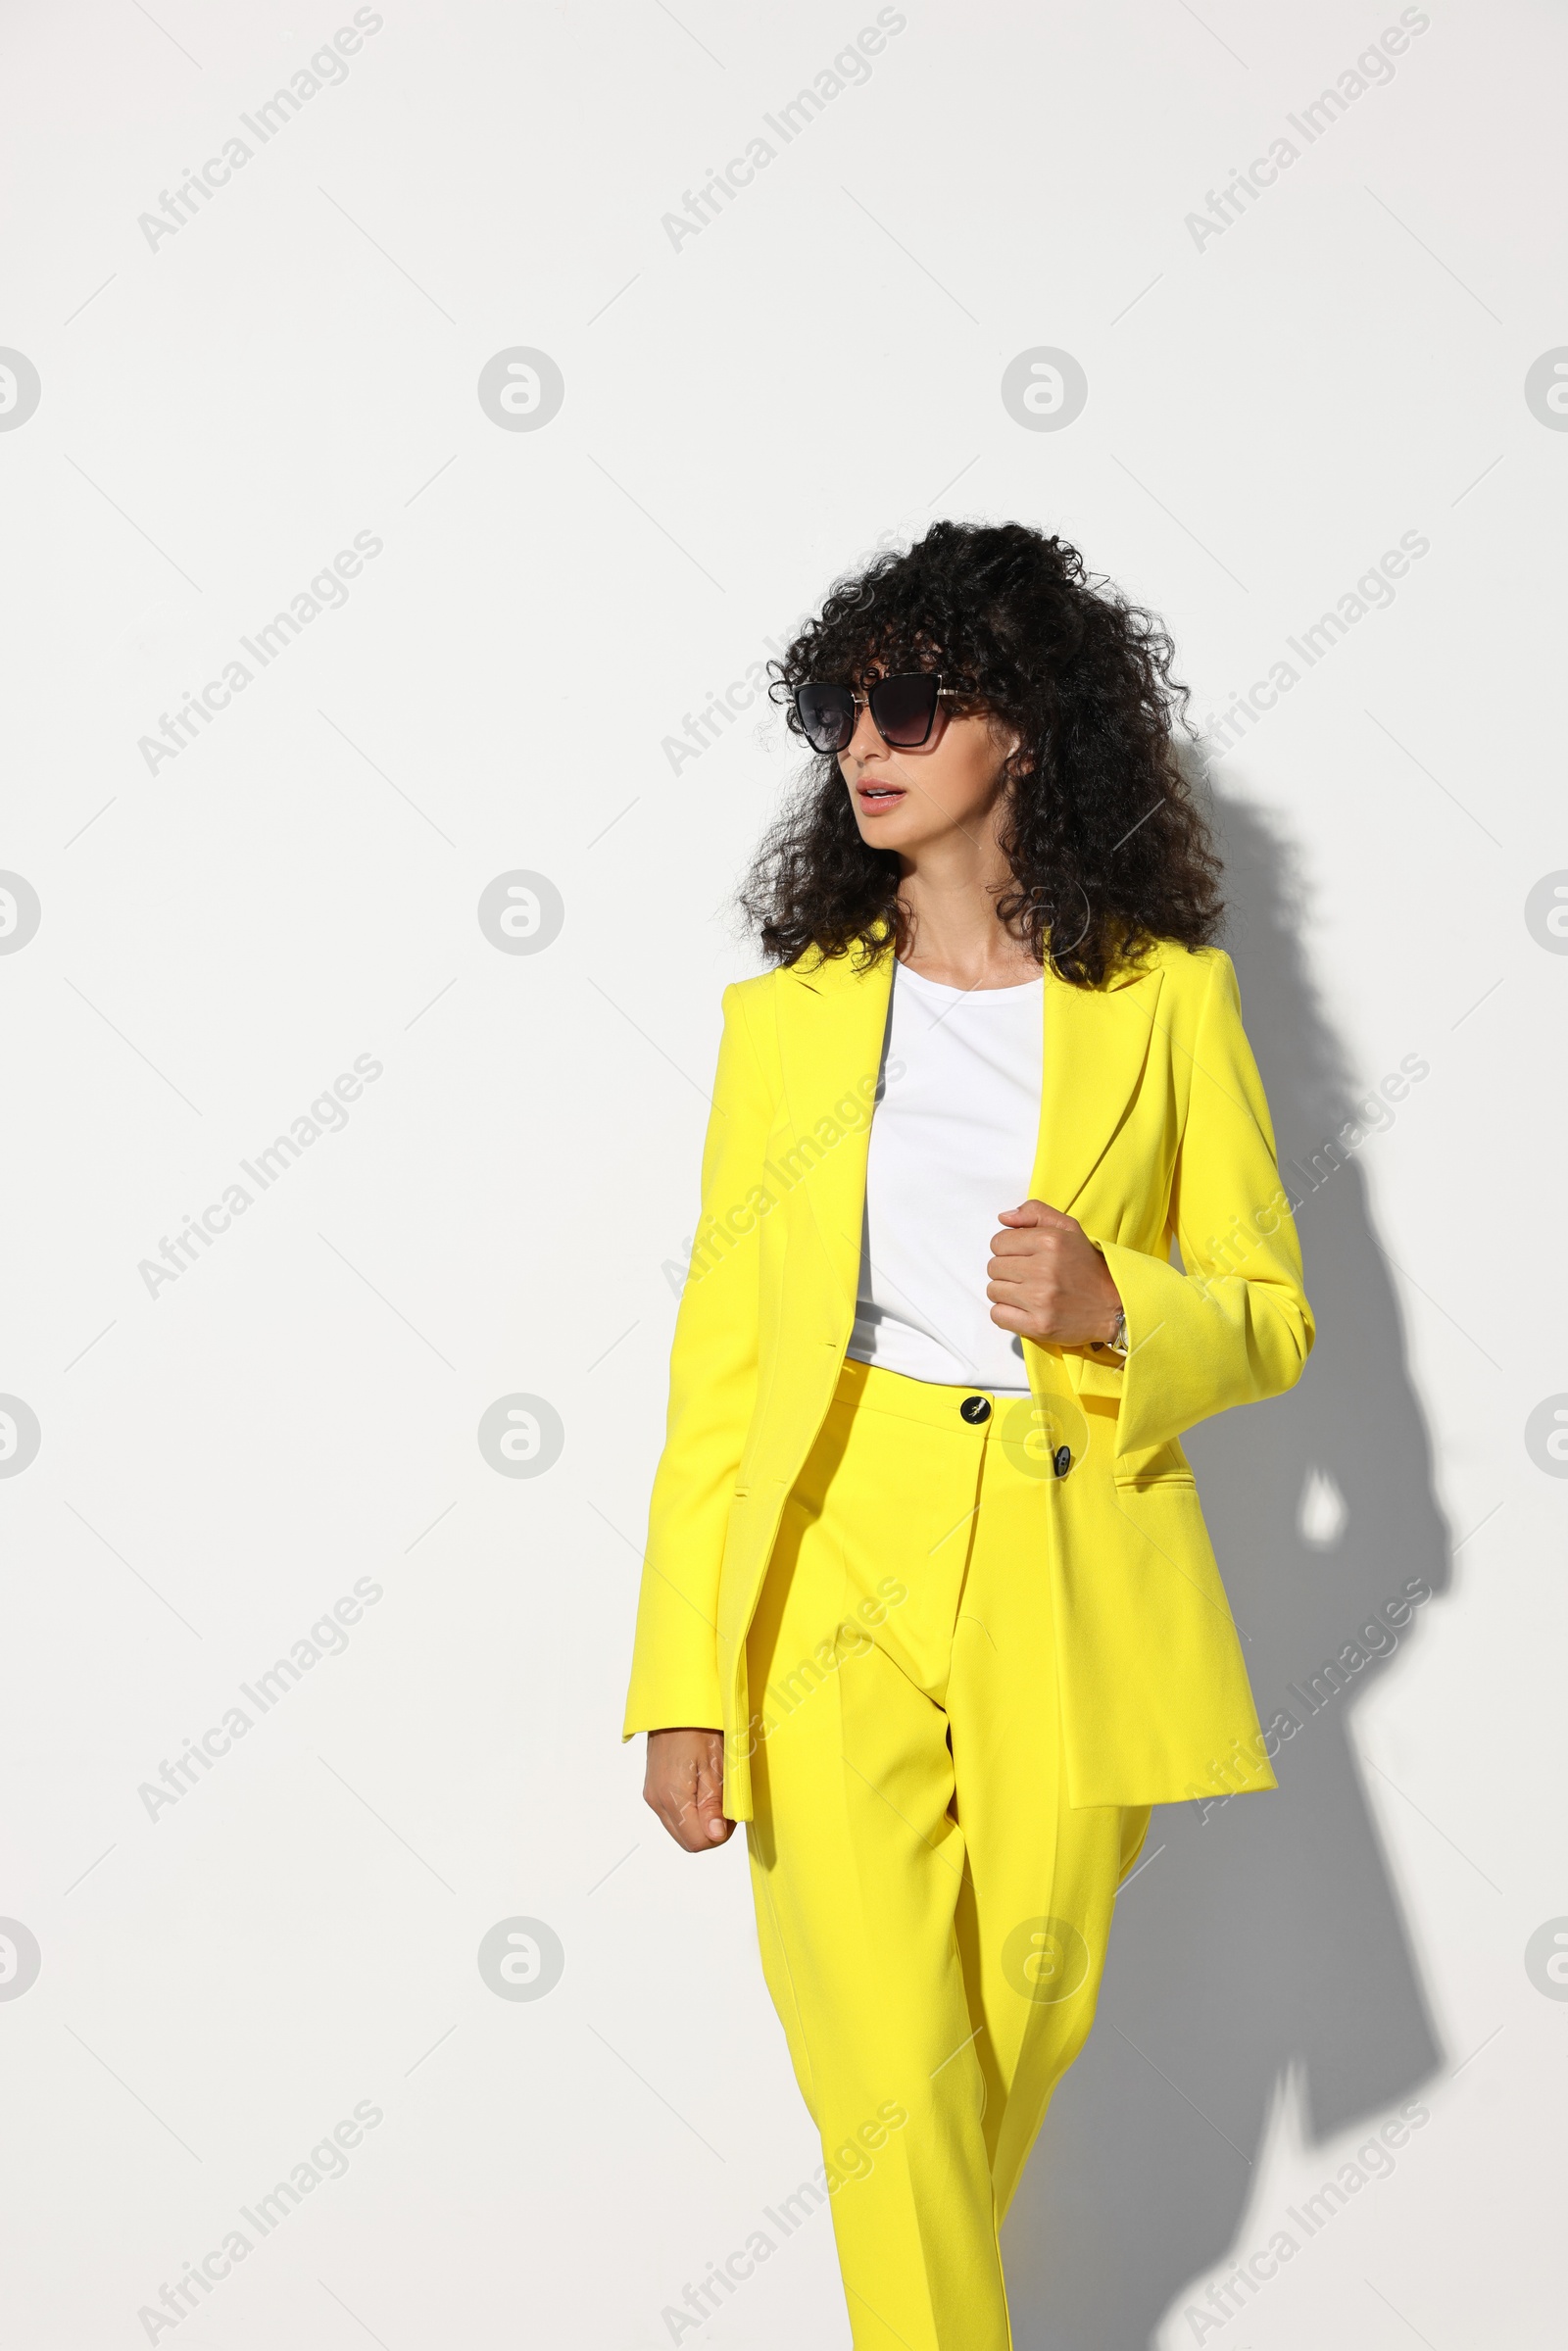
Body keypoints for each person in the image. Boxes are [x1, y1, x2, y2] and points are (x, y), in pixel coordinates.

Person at [621, 518, 1314, 2350]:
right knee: (883, 2079)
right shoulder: (785, 1028)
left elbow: (1271, 1316)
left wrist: (1118, 1310)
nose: (868, 740)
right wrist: (680, 1677)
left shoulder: (1168, 1003)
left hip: (1067, 1554)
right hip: (831, 1536)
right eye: (845, 707)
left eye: (913, 702)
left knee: (1015, 2027)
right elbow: (717, 1378)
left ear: (1025, 726)